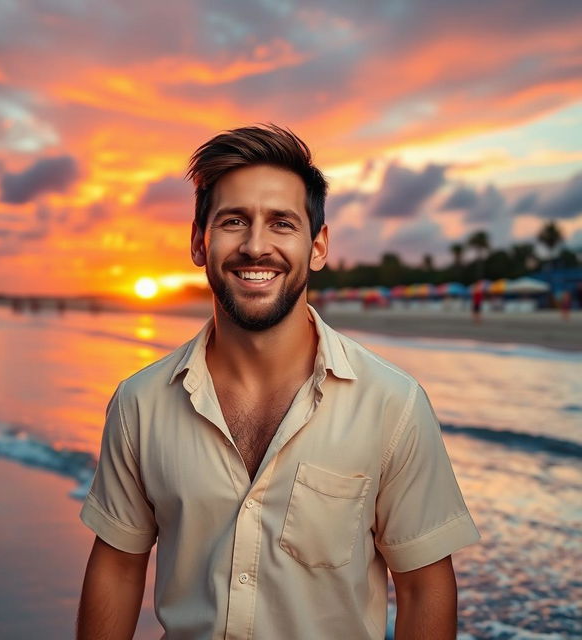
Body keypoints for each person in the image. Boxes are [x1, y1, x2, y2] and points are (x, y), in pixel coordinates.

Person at [77, 125, 479, 639]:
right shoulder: (140, 403)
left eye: (281, 223)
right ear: (200, 242)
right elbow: (118, 566)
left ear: (317, 246)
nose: (255, 246)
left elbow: (424, 587)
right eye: (233, 220)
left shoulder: (392, 404)